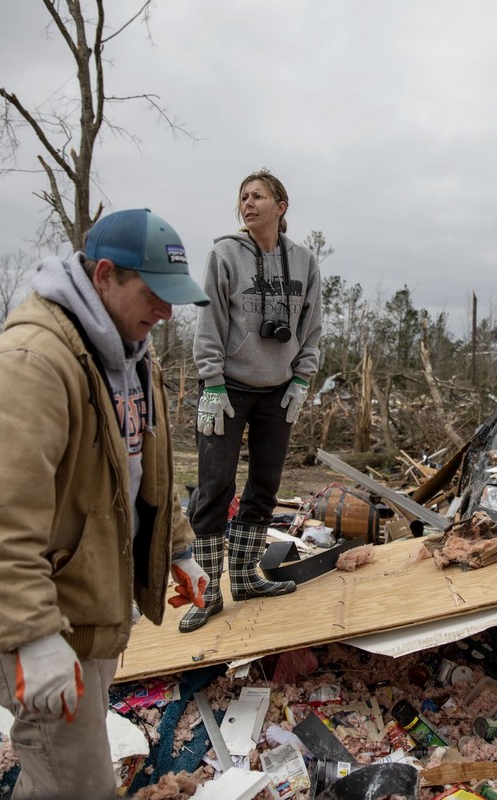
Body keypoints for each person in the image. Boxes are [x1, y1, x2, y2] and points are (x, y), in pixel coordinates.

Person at [0, 208, 212, 799]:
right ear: (105, 276)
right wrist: (30, 636)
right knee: (80, 788)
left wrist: (178, 548)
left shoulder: (133, 361)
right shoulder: (28, 368)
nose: (167, 312)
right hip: (46, 627)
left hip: (91, 617)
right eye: (154, 294)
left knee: (56, 783)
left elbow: (142, 476)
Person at [181, 169, 323, 633]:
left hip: (278, 390)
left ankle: (244, 579)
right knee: (214, 487)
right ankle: (206, 595)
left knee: (264, 486)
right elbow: (209, 320)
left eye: (258, 196)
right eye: (243, 196)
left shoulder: (304, 261)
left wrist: (301, 380)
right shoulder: (224, 255)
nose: (248, 203)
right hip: (227, 388)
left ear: (281, 207)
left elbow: (313, 327)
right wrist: (211, 381)